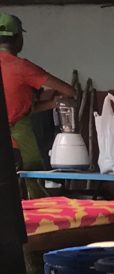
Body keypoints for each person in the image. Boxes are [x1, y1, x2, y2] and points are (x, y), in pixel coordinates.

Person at [0, 13, 76, 172]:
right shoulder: (22, 68)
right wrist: (59, 100)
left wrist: (51, 103)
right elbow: (69, 90)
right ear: (17, 38)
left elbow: (22, 107)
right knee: (30, 183)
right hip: (16, 142)